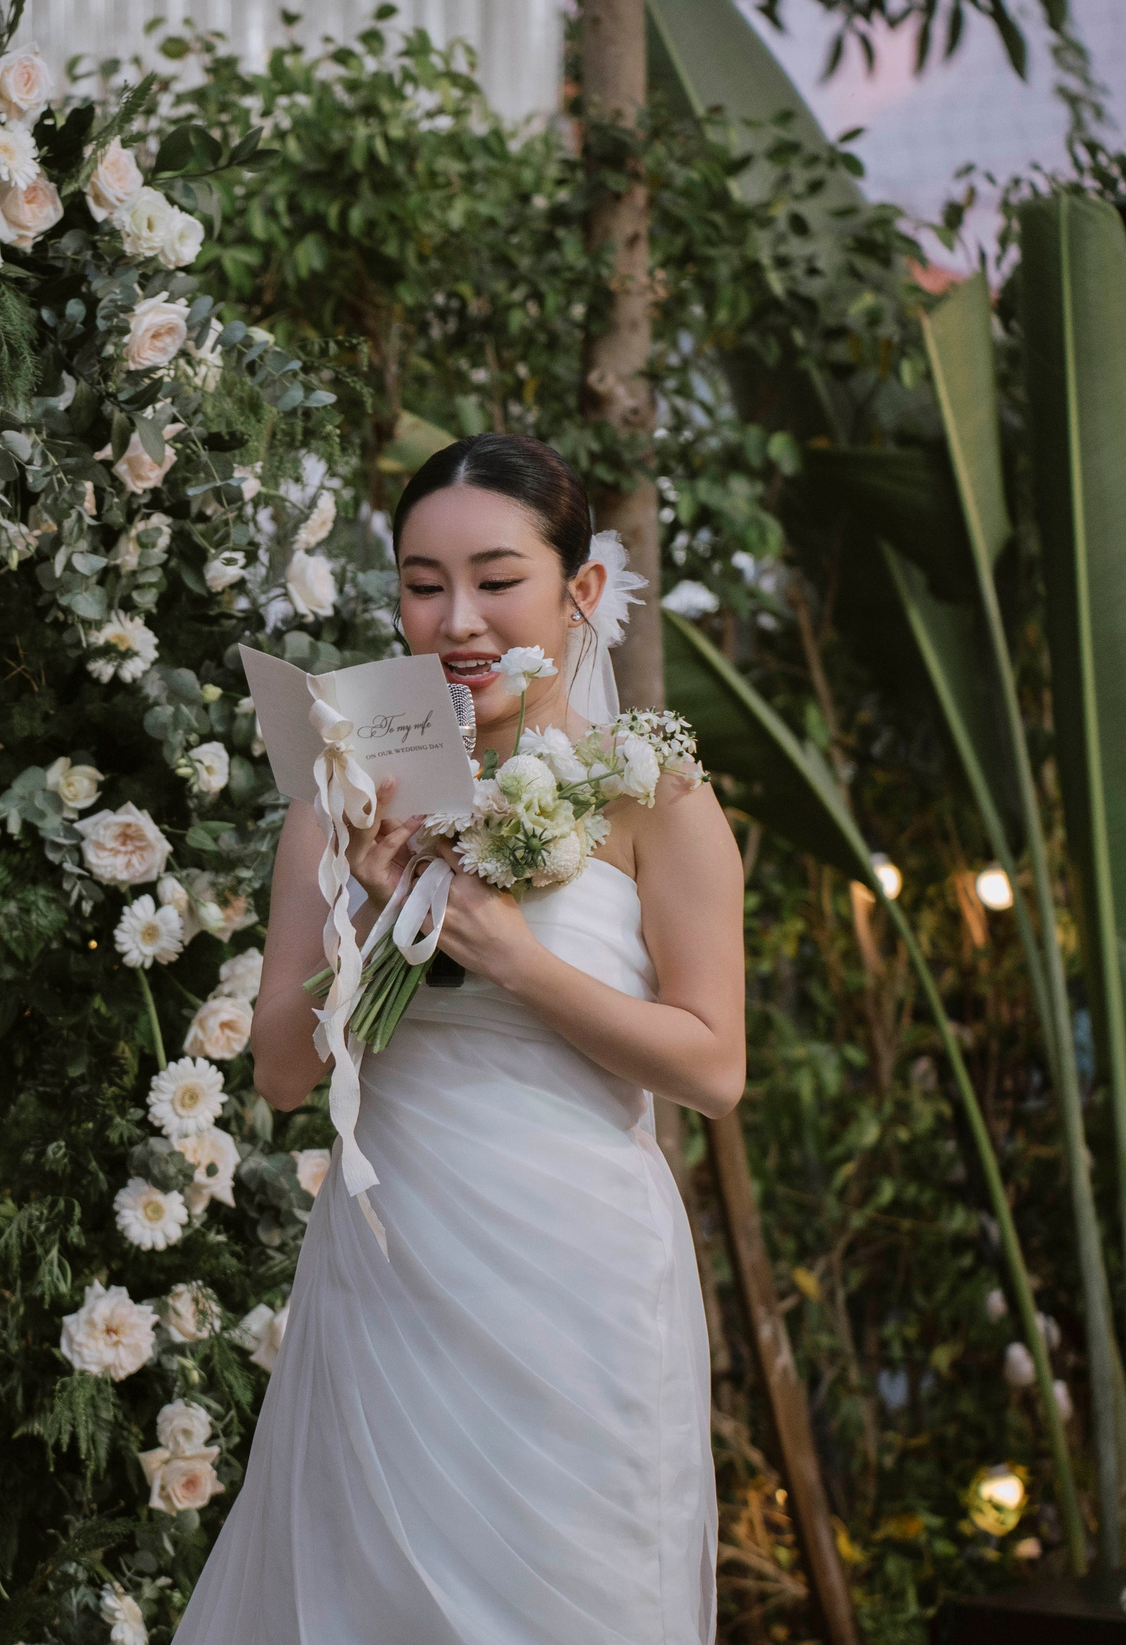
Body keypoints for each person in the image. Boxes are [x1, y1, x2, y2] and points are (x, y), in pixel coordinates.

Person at [175, 433, 740, 1644]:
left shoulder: (653, 794)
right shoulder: (343, 797)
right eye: (424, 585)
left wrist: (516, 960)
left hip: (581, 1281)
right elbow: (280, 1072)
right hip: (391, 1269)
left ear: (581, 589)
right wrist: (368, 913)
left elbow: (713, 1066)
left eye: (497, 579)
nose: (458, 619)